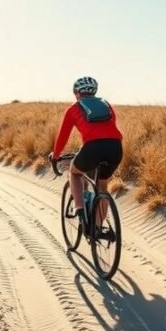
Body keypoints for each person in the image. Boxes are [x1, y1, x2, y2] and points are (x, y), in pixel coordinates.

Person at [48, 76, 124, 235]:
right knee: (103, 187)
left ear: (76, 93)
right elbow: (107, 130)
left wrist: (55, 156)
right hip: (115, 148)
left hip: (92, 148)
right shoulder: (106, 105)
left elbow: (63, 136)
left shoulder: (74, 108)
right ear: (94, 91)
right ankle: (96, 228)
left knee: (74, 174)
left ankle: (80, 212)